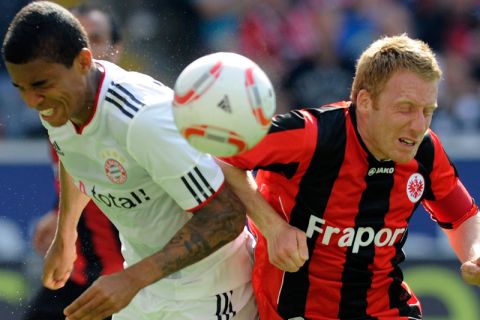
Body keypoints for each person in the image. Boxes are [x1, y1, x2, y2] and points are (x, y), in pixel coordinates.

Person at [2, 2, 256, 320]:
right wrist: (66, 234)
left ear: (83, 62)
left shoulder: (142, 119)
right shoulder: (59, 105)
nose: (30, 101)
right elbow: (77, 156)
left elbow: (226, 216)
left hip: (210, 292)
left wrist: (131, 279)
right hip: (146, 289)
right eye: (21, 87)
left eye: (40, 86)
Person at [219, 34, 480, 319]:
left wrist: (475, 253)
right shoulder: (311, 136)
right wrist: (271, 227)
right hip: (298, 312)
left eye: (427, 111)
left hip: (389, 311)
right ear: (365, 102)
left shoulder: (425, 149)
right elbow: (222, 156)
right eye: (405, 108)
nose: (419, 126)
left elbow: (463, 215)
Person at [24, 4, 125, 320]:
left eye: (95, 38)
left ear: (116, 50)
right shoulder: (57, 113)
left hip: (128, 285)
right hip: (75, 275)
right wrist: (57, 214)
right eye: (75, 39)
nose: (86, 50)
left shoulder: (138, 119)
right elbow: (77, 174)